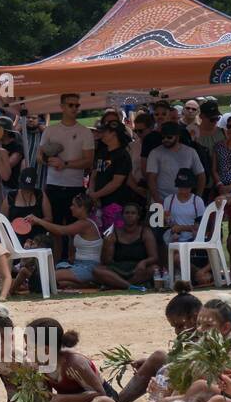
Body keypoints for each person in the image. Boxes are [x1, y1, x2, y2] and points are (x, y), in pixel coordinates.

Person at [28, 317, 131, 402]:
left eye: (29, 347)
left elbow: (100, 393)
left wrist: (63, 399)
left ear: (45, 350)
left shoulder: (75, 363)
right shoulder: (40, 366)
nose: (26, 350)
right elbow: (47, 397)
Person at [37, 93, 92, 261]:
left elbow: (89, 161)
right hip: (53, 185)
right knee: (54, 228)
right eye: (70, 105)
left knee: (73, 230)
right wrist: (49, 160)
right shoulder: (50, 130)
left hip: (74, 186)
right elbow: (39, 157)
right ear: (61, 107)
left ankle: (72, 262)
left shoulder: (84, 132)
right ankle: (56, 263)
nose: (74, 108)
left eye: (77, 105)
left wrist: (65, 164)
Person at [28, 192, 103, 292]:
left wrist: (38, 221)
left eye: (74, 205)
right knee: (57, 277)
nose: (71, 207)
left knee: (49, 277)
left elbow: (61, 231)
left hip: (89, 267)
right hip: (78, 264)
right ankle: (86, 284)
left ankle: (87, 282)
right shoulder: (82, 222)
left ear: (82, 208)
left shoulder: (85, 224)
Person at [92, 202, 159, 289]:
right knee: (97, 270)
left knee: (154, 269)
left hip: (138, 269)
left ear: (138, 216)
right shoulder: (114, 233)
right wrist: (107, 244)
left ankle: (120, 285)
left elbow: (154, 257)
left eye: (133, 213)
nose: (129, 215)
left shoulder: (145, 232)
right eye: (127, 213)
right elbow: (106, 261)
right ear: (122, 216)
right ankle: (130, 286)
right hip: (118, 268)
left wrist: (144, 262)